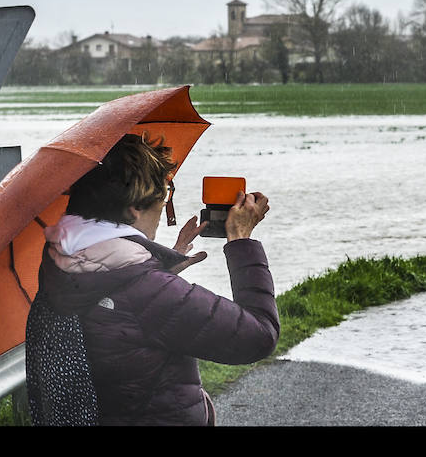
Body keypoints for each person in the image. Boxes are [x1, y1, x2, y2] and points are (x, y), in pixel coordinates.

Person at [25, 132, 279, 426]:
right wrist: (241, 241)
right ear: (135, 206)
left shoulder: (61, 260)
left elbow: (116, 315)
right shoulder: (147, 291)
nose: (164, 205)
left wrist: (163, 264)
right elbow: (259, 336)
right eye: (164, 193)